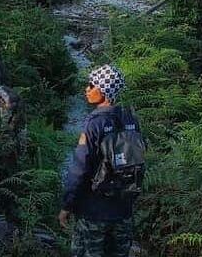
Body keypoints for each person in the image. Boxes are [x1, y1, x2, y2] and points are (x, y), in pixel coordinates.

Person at [59, 64, 145, 257]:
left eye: (92, 85)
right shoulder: (131, 119)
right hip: (123, 211)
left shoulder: (95, 123)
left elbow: (79, 169)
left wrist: (67, 205)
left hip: (93, 212)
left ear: (105, 91)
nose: (87, 89)